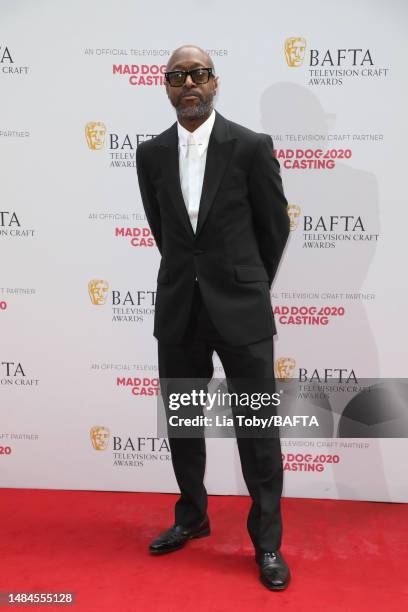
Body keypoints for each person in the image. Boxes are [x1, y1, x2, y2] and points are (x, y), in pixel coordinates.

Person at [136, 44, 290, 591]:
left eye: (198, 73)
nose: (189, 83)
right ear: (167, 86)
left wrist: (247, 283)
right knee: (183, 422)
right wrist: (193, 278)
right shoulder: (150, 153)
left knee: (257, 426)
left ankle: (267, 543)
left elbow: (274, 229)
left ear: (214, 81)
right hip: (180, 307)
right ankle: (192, 516)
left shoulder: (250, 146)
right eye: (177, 76)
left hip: (242, 308)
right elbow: (164, 230)